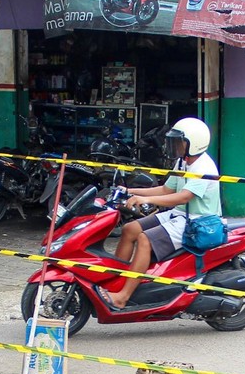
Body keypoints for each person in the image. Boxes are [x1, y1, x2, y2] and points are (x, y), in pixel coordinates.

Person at [95, 117, 222, 310]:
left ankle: (122, 297)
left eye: (179, 142)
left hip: (198, 222)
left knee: (145, 240)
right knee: (130, 229)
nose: (174, 146)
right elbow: (166, 190)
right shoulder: (183, 162)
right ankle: (116, 281)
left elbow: (183, 197)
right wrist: (130, 191)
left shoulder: (203, 167)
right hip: (180, 215)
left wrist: (145, 200)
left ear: (193, 144)